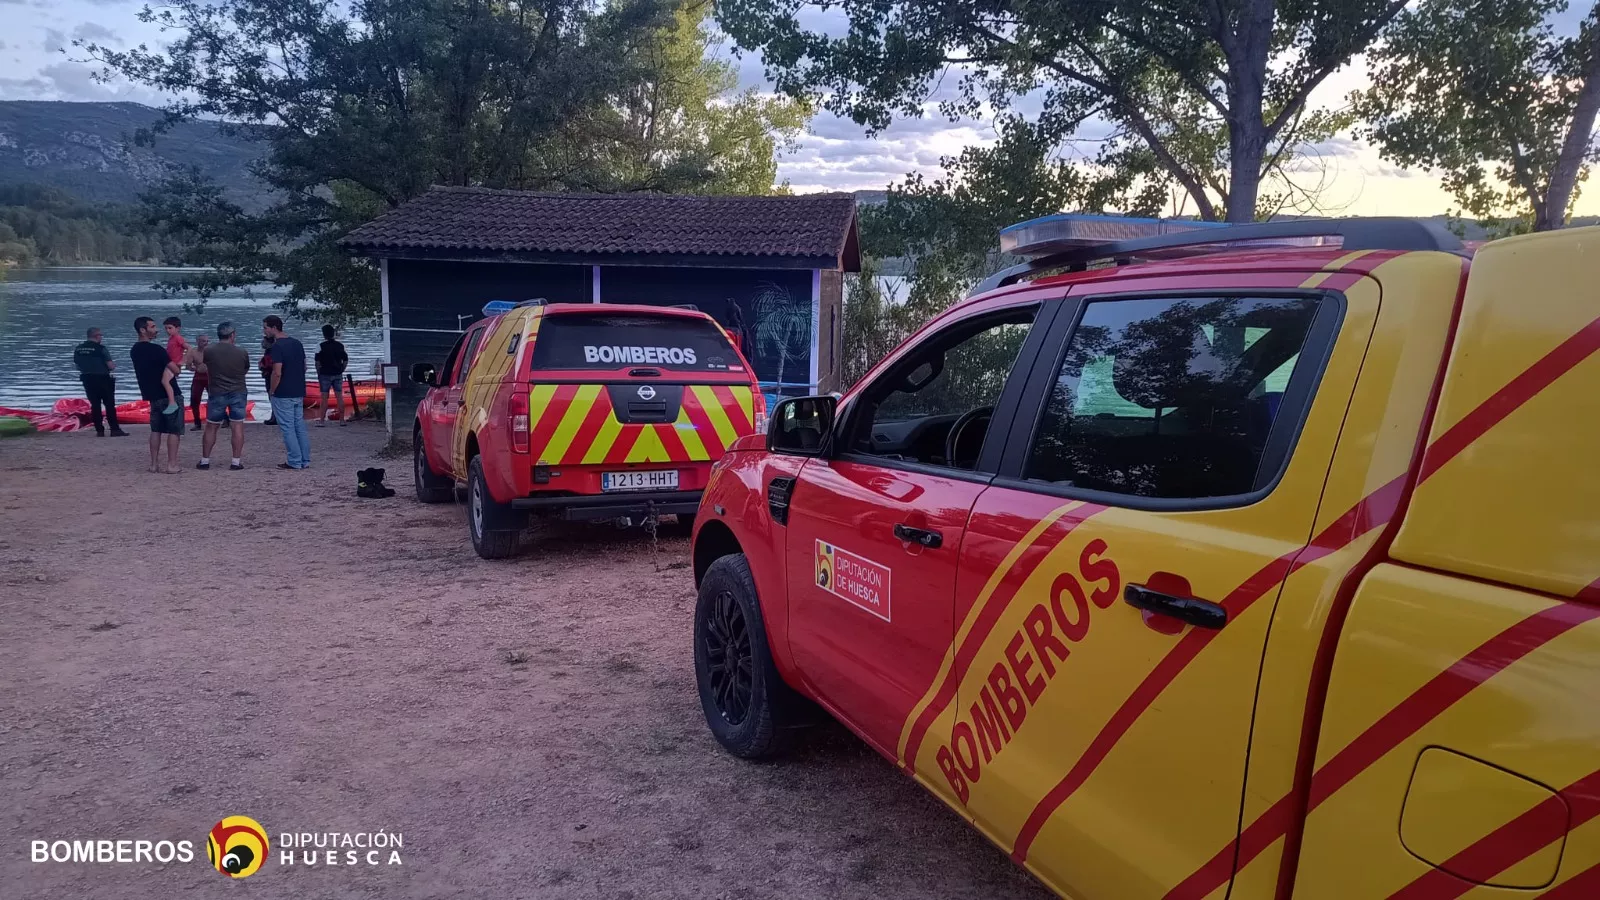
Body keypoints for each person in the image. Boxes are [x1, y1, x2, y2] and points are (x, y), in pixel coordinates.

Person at [131, 316, 183, 473]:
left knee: (156, 429)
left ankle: (153, 464)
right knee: (174, 430)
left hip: (152, 395)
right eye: (153, 326)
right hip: (169, 395)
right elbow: (175, 370)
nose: (157, 329)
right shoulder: (157, 350)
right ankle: (172, 464)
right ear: (143, 330)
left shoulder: (134, 350)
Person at [199, 321, 250, 471]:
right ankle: (235, 462)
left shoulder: (209, 351)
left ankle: (205, 461)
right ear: (232, 335)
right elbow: (245, 369)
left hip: (217, 391)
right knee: (237, 426)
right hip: (238, 391)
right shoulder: (242, 352)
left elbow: (205, 365)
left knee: (211, 426)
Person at [262, 315, 310, 470]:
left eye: (265, 327)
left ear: (274, 327)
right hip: (298, 390)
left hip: (283, 392)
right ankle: (305, 459)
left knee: (287, 427)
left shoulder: (277, 347)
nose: (265, 331)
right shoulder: (297, 343)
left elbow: (277, 372)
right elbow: (304, 367)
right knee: (299, 426)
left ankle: (294, 460)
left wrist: (272, 390)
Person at [73, 327, 128, 437]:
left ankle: (99, 430)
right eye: (100, 335)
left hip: (87, 378)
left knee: (95, 405)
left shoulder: (78, 349)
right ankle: (114, 429)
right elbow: (110, 366)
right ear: (97, 336)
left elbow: (77, 365)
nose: (101, 337)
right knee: (109, 404)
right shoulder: (101, 348)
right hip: (103, 378)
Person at [314, 323, 349, 426]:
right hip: (337, 373)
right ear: (333, 333)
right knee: (339, 396)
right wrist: (342, 369)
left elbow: (317, 362)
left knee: (324, 397)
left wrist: (318, 373)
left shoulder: (320, 346)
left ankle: (321, 421)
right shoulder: (340, 345)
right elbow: (346, 360)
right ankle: (342, 420)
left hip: (324, 374)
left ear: (324, 334)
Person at [187, 332, 211, 431]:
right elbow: (188, 366)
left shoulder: (211, 351)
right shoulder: (193, 351)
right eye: (203, 341)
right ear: (197, 342)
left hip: (210, 377)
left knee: (216, 399)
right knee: (194, 400)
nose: (205, 343)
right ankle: (197, 423)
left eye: (207, 341)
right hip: (198, 378)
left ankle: (225, 419)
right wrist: (194, 368)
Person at [259, 334, 278, 426]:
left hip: (270, 376)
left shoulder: (270, 351)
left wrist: (262, 366)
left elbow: (269, 365)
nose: (262, 343)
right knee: (273, 396)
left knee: (272, 395)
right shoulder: (271, 351)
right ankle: (274, 416)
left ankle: (274, 417)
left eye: (264, 341)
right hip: (270, 375)